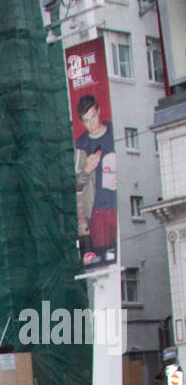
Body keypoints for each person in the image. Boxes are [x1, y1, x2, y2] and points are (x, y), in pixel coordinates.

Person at [74, 95, 117, 269]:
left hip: (116, 204)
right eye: (86, 121)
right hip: (96, 209)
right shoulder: (81, 144)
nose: (92, 124)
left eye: (93, 117)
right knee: (102, 262)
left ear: (99, 112)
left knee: (120, 253)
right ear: (82, 122)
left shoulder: (114, 132)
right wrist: (87, 170)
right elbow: (76, 183)